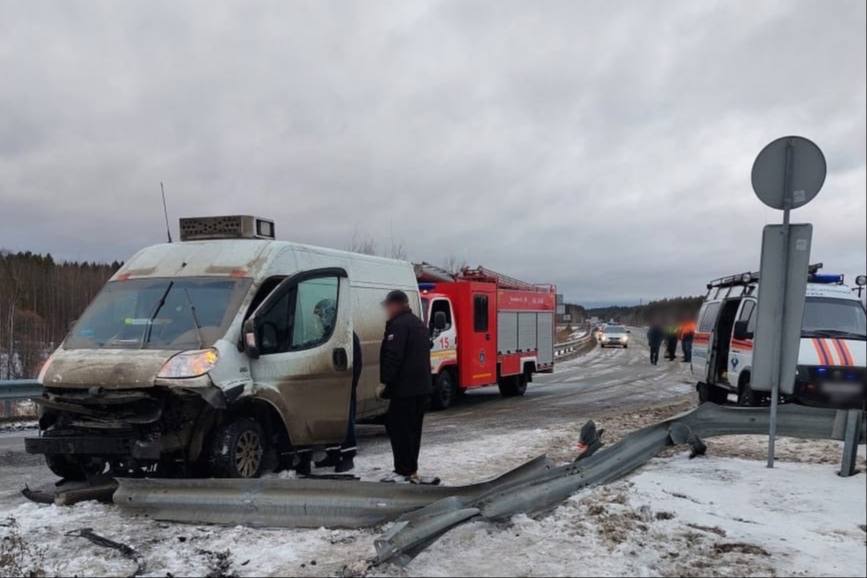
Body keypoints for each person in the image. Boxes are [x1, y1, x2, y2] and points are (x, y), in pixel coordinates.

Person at [378, 290, 437, 485]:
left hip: (405, 389)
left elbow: (393, 356)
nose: (386, 309)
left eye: (387, 305)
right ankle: (410, 469)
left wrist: (386, 382)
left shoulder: (400, 325)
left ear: (396, 305)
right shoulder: (417, 323)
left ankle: (403, 469)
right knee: (412, 430)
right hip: (421, 388)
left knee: (398, 428)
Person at [315, 331, 362, 473]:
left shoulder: (347, 335)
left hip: (343, 385)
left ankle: (348, 457)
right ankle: (333, 454)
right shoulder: (327, 334)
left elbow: (355, 363)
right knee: (331, 421)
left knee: (346, 421)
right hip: (330, 385)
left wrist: (350, 384)